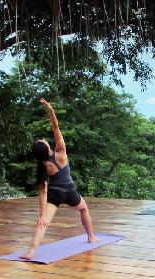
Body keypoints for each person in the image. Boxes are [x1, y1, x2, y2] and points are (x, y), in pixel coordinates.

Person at [20, 98, 97, 260]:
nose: (43, 139)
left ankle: (31, 252)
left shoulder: (43, 166)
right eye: (42, 141)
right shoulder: (60, 151)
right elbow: (55, 127)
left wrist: (42, 214)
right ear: (47, 147)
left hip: (54, 195)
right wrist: (50, 110)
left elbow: (43, 191)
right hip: (69, 192)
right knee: (83, 209)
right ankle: (90, 236)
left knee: (43, 223)